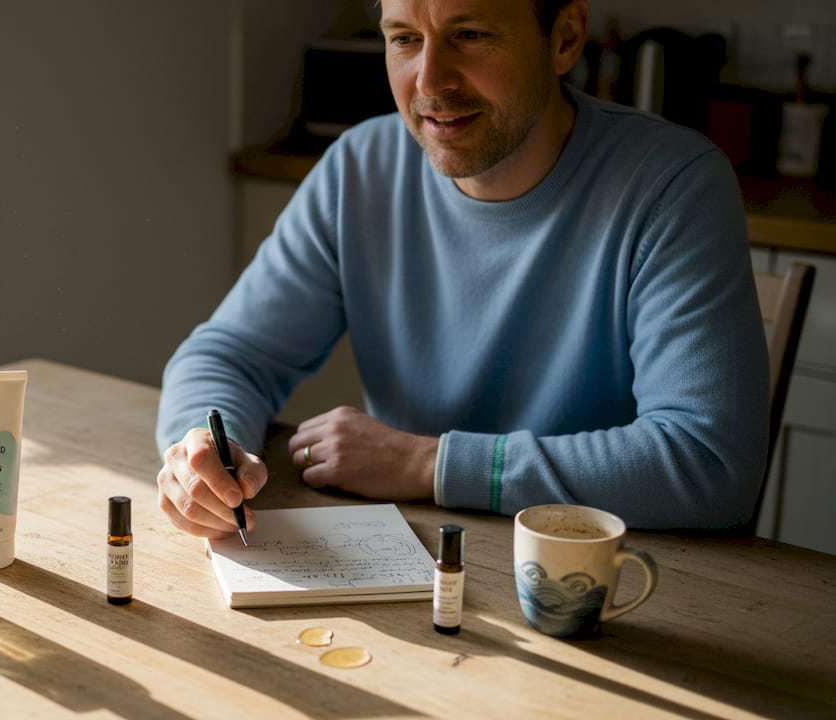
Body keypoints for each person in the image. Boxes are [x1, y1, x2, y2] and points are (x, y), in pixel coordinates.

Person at [155, 0, 768, 538]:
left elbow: (708, 463)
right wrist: (204, 446)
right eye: (404, 38)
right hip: (407, 564)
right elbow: (229, 353)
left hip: (605, 586)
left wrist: (431, 464)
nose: (429, 81)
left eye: (470, 35)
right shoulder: (359, 168)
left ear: (565, 39)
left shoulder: (674, 185)